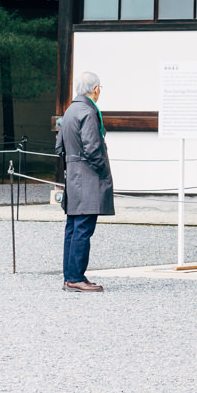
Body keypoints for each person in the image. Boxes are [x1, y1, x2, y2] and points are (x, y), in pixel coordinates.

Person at [55, 71, 114, 292]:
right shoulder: (88, 111)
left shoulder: (69, 111)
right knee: (83, 229)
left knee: (73, 227)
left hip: (73, 174)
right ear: (96, 89)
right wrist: (100, 169)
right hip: (88, 176)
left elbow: (58, 146)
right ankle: (76, 278)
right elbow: (92, 148)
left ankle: (70, 276)